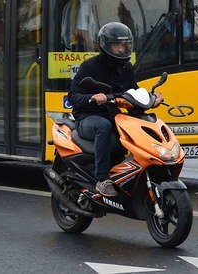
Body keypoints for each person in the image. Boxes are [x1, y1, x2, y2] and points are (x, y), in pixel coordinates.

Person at [68, 22, 163, 197]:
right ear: (106, 45)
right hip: (88, 118)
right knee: (103, 126)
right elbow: (73, 96)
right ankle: (101, 180)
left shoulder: (126, 67)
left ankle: (130, 174)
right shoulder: (90, 66)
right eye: (117, 45)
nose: (121, 49)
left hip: (113, 115)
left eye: (124, 45)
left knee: (137, 126)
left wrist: (152, 98)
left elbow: (133, 92)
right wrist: (93, 98)